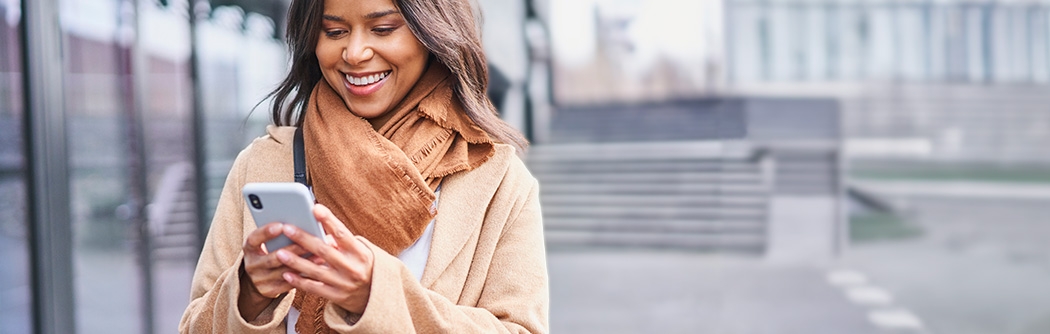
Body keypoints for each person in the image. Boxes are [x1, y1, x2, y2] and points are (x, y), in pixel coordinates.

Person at [178, 0, 548, 332]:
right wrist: (248, 293)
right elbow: (194, 326)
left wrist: (376, 294)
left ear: (431, 33)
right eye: (334, 31)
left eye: (383, 29)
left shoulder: (497, 177)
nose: (354, 53)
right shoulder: (261, 163)